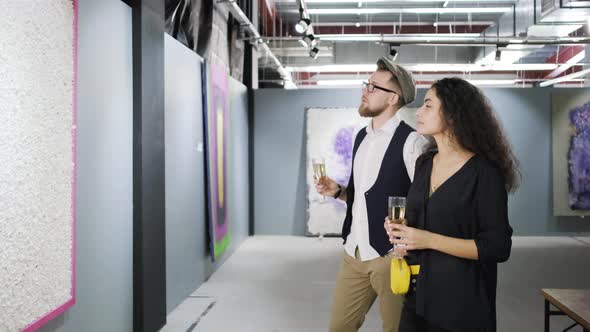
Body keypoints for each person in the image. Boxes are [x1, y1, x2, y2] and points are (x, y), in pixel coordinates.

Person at [384, 77, 519, 332]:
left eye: (428, 105)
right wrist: (401, 232)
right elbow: (421, 222)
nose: (419, 112)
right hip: (417, 296)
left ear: (453, 113)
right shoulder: (424, 163)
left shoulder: (485, 173)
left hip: (462, 306)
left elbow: (498, 248)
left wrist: (427, 239)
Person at [316, 57, 429, 332]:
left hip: (392, 258)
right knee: (339, 328)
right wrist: (340, 192)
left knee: (397, 329)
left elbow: (428, 204)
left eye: (373, 86)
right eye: (366, 84)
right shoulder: (361, 138)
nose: (365, 90)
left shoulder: (414, 142)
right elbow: (363, 196)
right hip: (353, 253)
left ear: (393, 98)